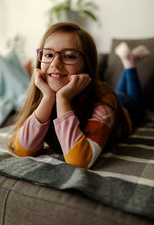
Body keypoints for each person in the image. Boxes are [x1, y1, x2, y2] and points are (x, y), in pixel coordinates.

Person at [8, 22, 150, 169]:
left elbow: (80, 160)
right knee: (116, 92)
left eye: (69, 56)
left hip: (125, 109)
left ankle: (130, 64)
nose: (55, 64)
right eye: (49, 54)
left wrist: (62, 99)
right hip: (112, 98)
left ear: (86, 65)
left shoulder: (105, 99)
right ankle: (128, 60)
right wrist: (48, 98)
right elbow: (22, 150)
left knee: (137, 105)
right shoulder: (44, 94)